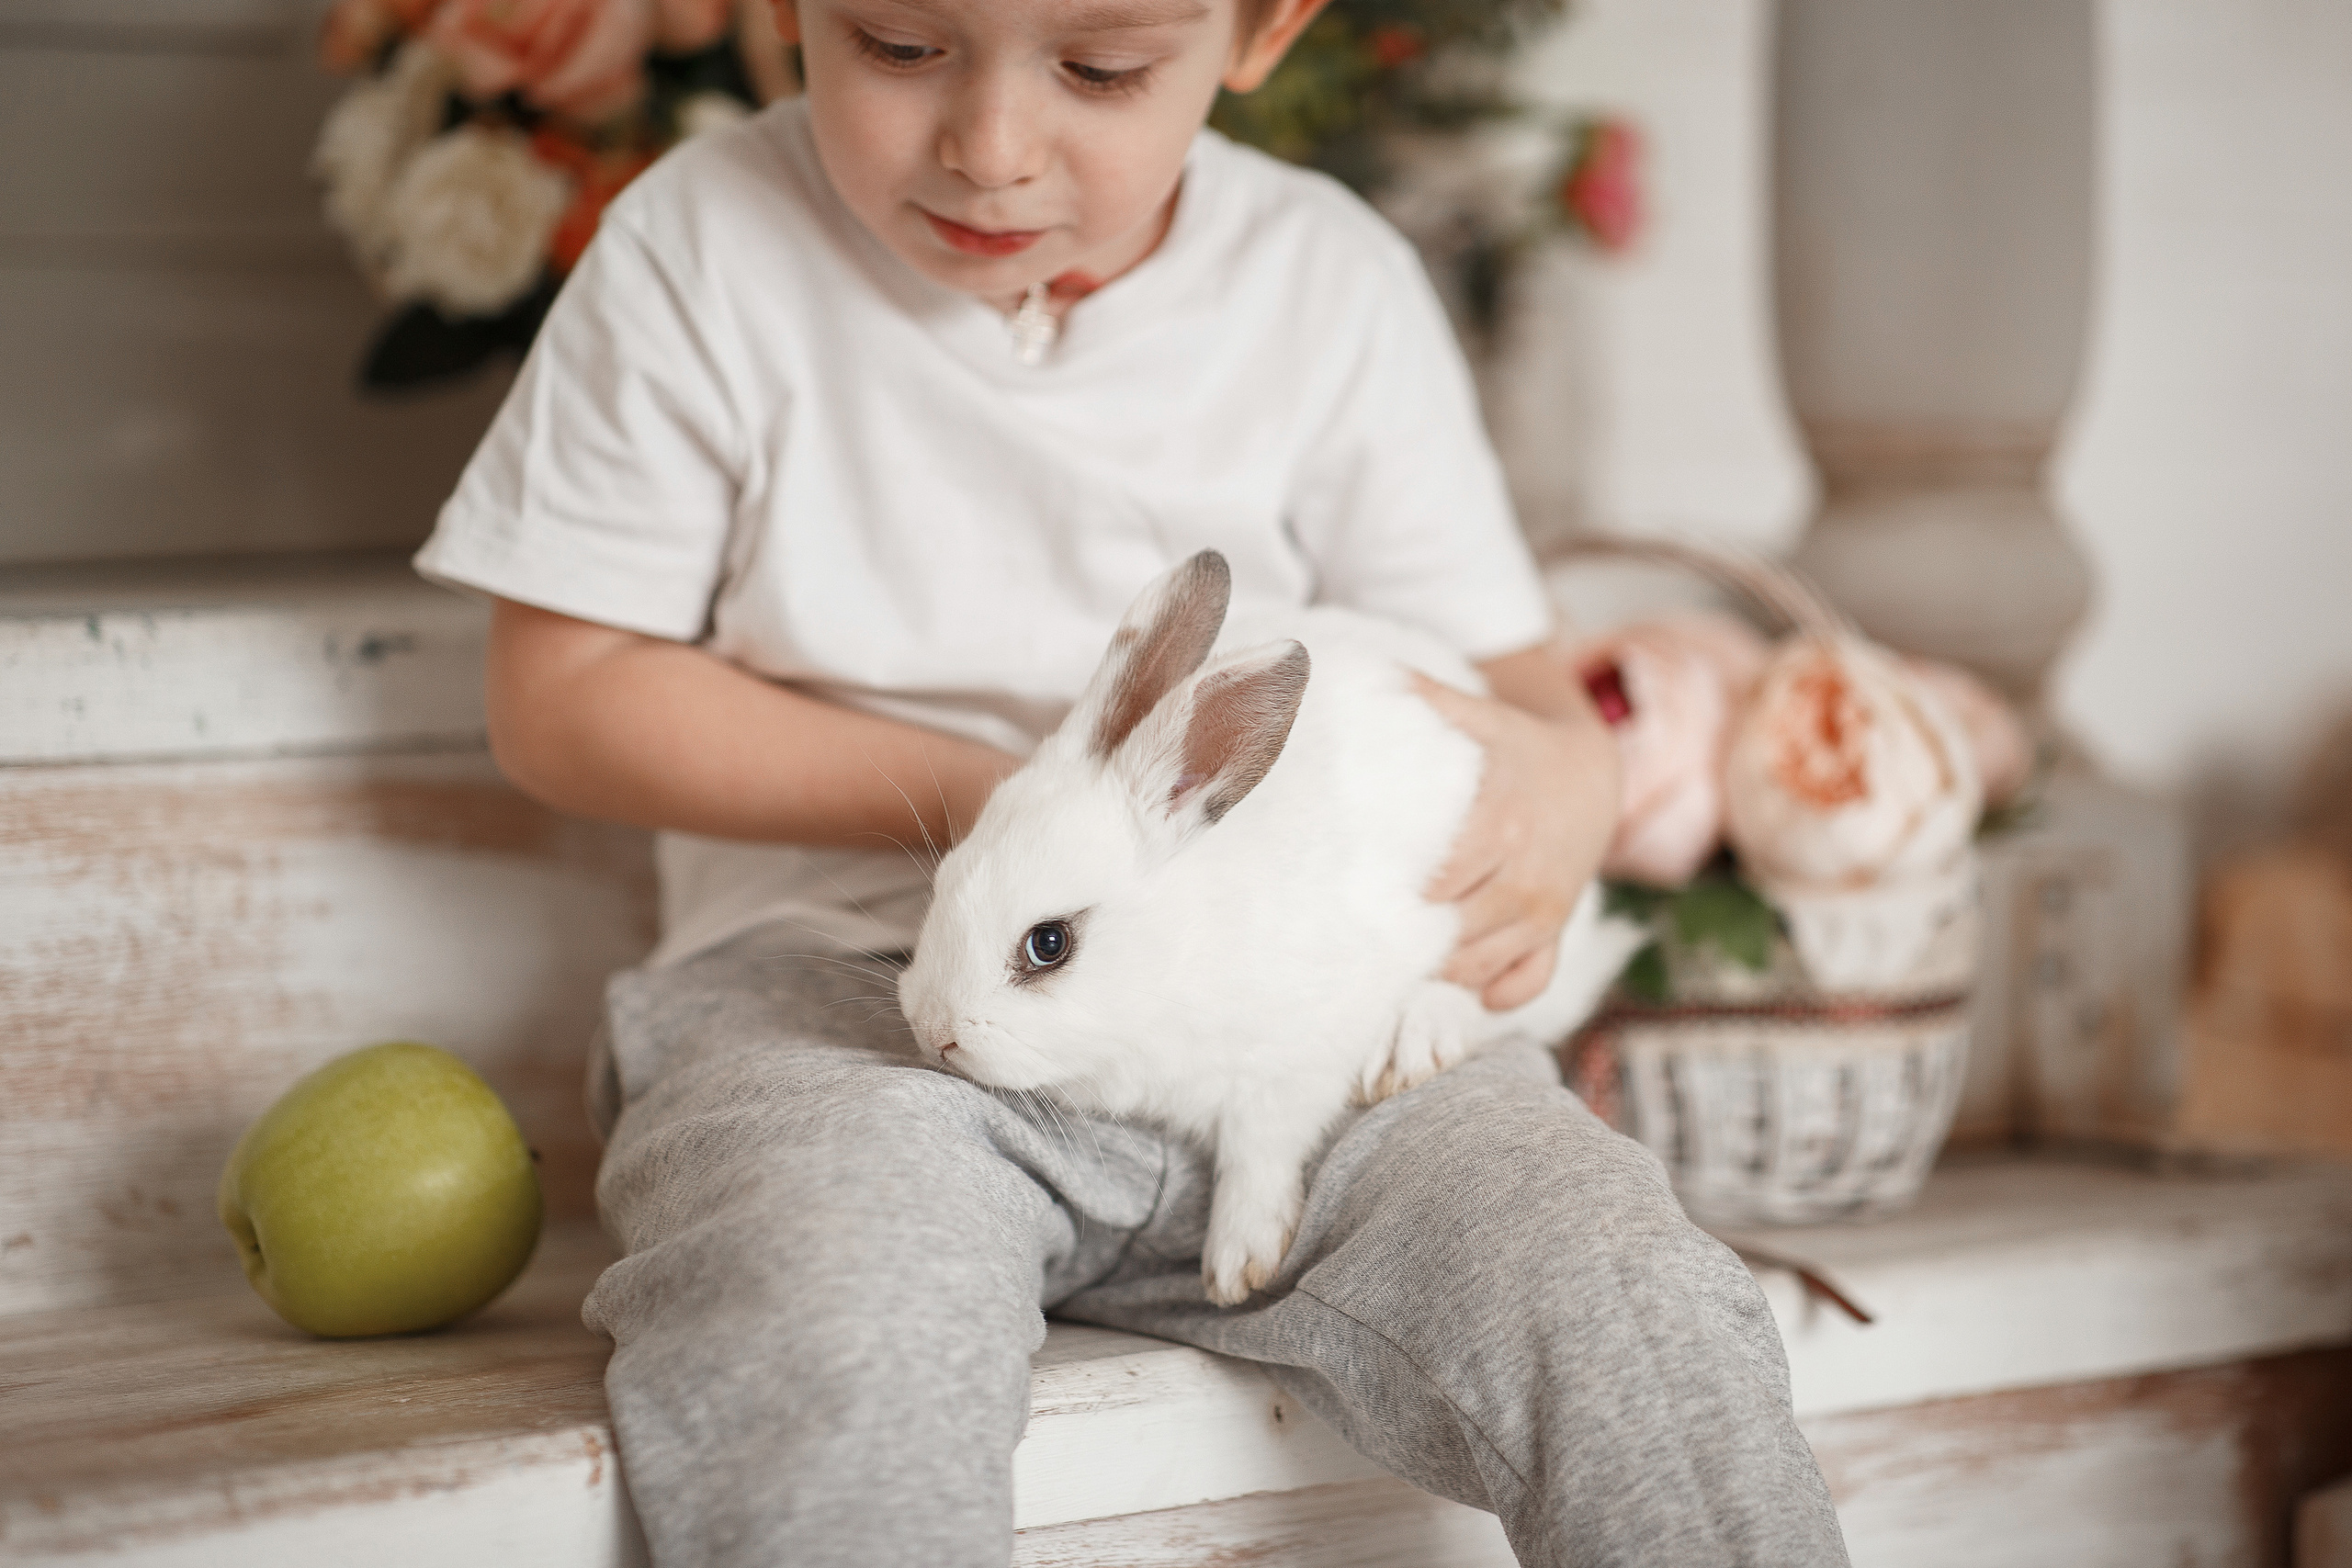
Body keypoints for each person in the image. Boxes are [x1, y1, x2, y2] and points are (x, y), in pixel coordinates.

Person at [414, 0, 1849, 1562]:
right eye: (897, 44)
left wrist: (1572, 778)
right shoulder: (698, 246)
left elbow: (1514, 677)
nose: (991, 147)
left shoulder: (1330, 283)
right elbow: (562, 701)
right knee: (829, 1296)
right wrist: (1017, 818)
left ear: (1261, 27)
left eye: (1100, 69)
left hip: (1301, 1036)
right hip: (852, 998)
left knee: (1612, 1281)